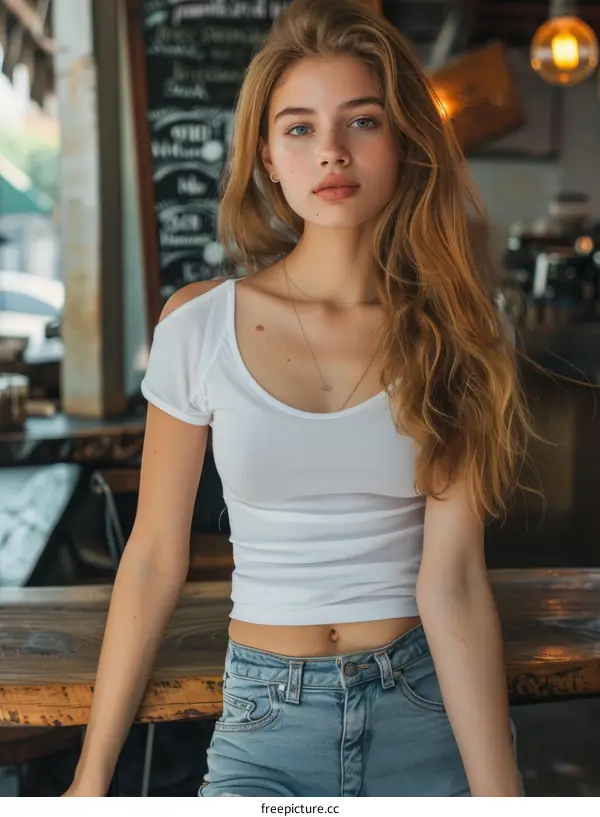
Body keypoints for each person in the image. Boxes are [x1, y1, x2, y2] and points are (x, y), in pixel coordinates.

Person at [65, 0, 529, 797]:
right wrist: (89, 779)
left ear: (404, 143)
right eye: (301, 128)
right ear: (268, 158)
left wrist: (503, 796)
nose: (333, 153)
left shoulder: (460, 327)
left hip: (425, 707)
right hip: (266, 720)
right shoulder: (199, 324)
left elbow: (451, 582)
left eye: (363, 122)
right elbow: (150, 560)